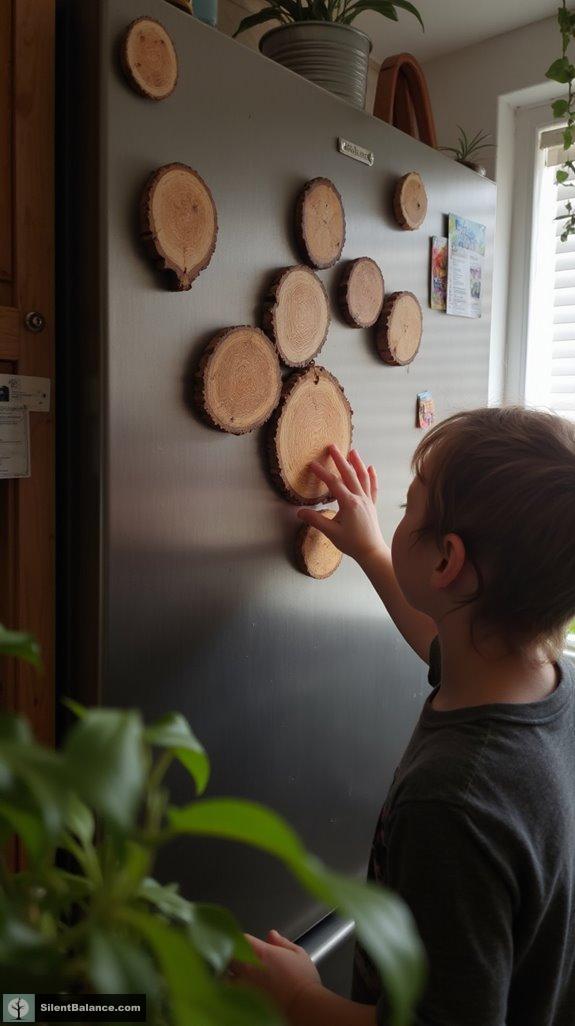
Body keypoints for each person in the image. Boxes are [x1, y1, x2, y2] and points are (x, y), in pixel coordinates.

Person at [232, 406, 575, 1026]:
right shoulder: (547, 685)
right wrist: (368, 547)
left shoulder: (455, 801)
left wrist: (297, 998)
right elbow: (439, 637)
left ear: (447, 561)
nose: (398, 515)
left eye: (406, 508)